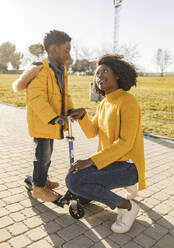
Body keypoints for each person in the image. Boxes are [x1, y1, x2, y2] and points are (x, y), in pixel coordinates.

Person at [65, 54, 146, 233]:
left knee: (73, 181)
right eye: (97, 74)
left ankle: (127, 207)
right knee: (79, 184)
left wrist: (91, 161)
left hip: (128, 166)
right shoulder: (104, 104)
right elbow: (91, 132)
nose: (99, 76)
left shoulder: (128, 101)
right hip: (109, 163)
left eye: (105, 71)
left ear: (117, 74)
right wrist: (83, 116)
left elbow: (125, 144)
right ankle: (121, 188)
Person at [16, 30, 76, 202]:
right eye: (66, 50)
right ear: (54, 49)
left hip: (50, 123)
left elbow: (65, 95)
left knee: (47, 155)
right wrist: (53, 117)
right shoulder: (41, 70)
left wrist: (71, 110)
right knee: (42, 156)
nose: (68, 55)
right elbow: (37, 99)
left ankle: (42, 179)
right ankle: (39, 188)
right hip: (43, 121)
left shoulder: (60, 70)